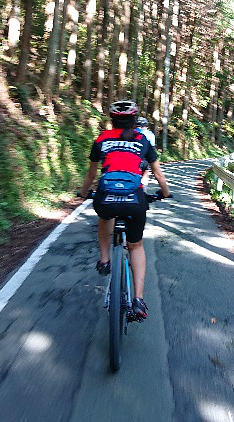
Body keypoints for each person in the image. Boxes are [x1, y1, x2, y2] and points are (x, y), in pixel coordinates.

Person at [79, 100, 171, 321]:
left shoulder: (102, 139)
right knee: (136, 245)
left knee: (105, 215)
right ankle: (138, 299)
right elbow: (158, 175)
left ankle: (104, 260)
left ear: (112, 120)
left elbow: (91, 175)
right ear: (134, 120)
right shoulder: (142, 140)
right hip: (134, 199)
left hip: (106, 197)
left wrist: (83, 193)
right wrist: (165, 193)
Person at [135, 116, 155, 187]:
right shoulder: (150, 134)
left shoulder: (131, 132)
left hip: (133, 158)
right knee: (146, 172)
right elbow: (152, 149)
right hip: (145, 158)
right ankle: (144, 190)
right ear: (146, 126)